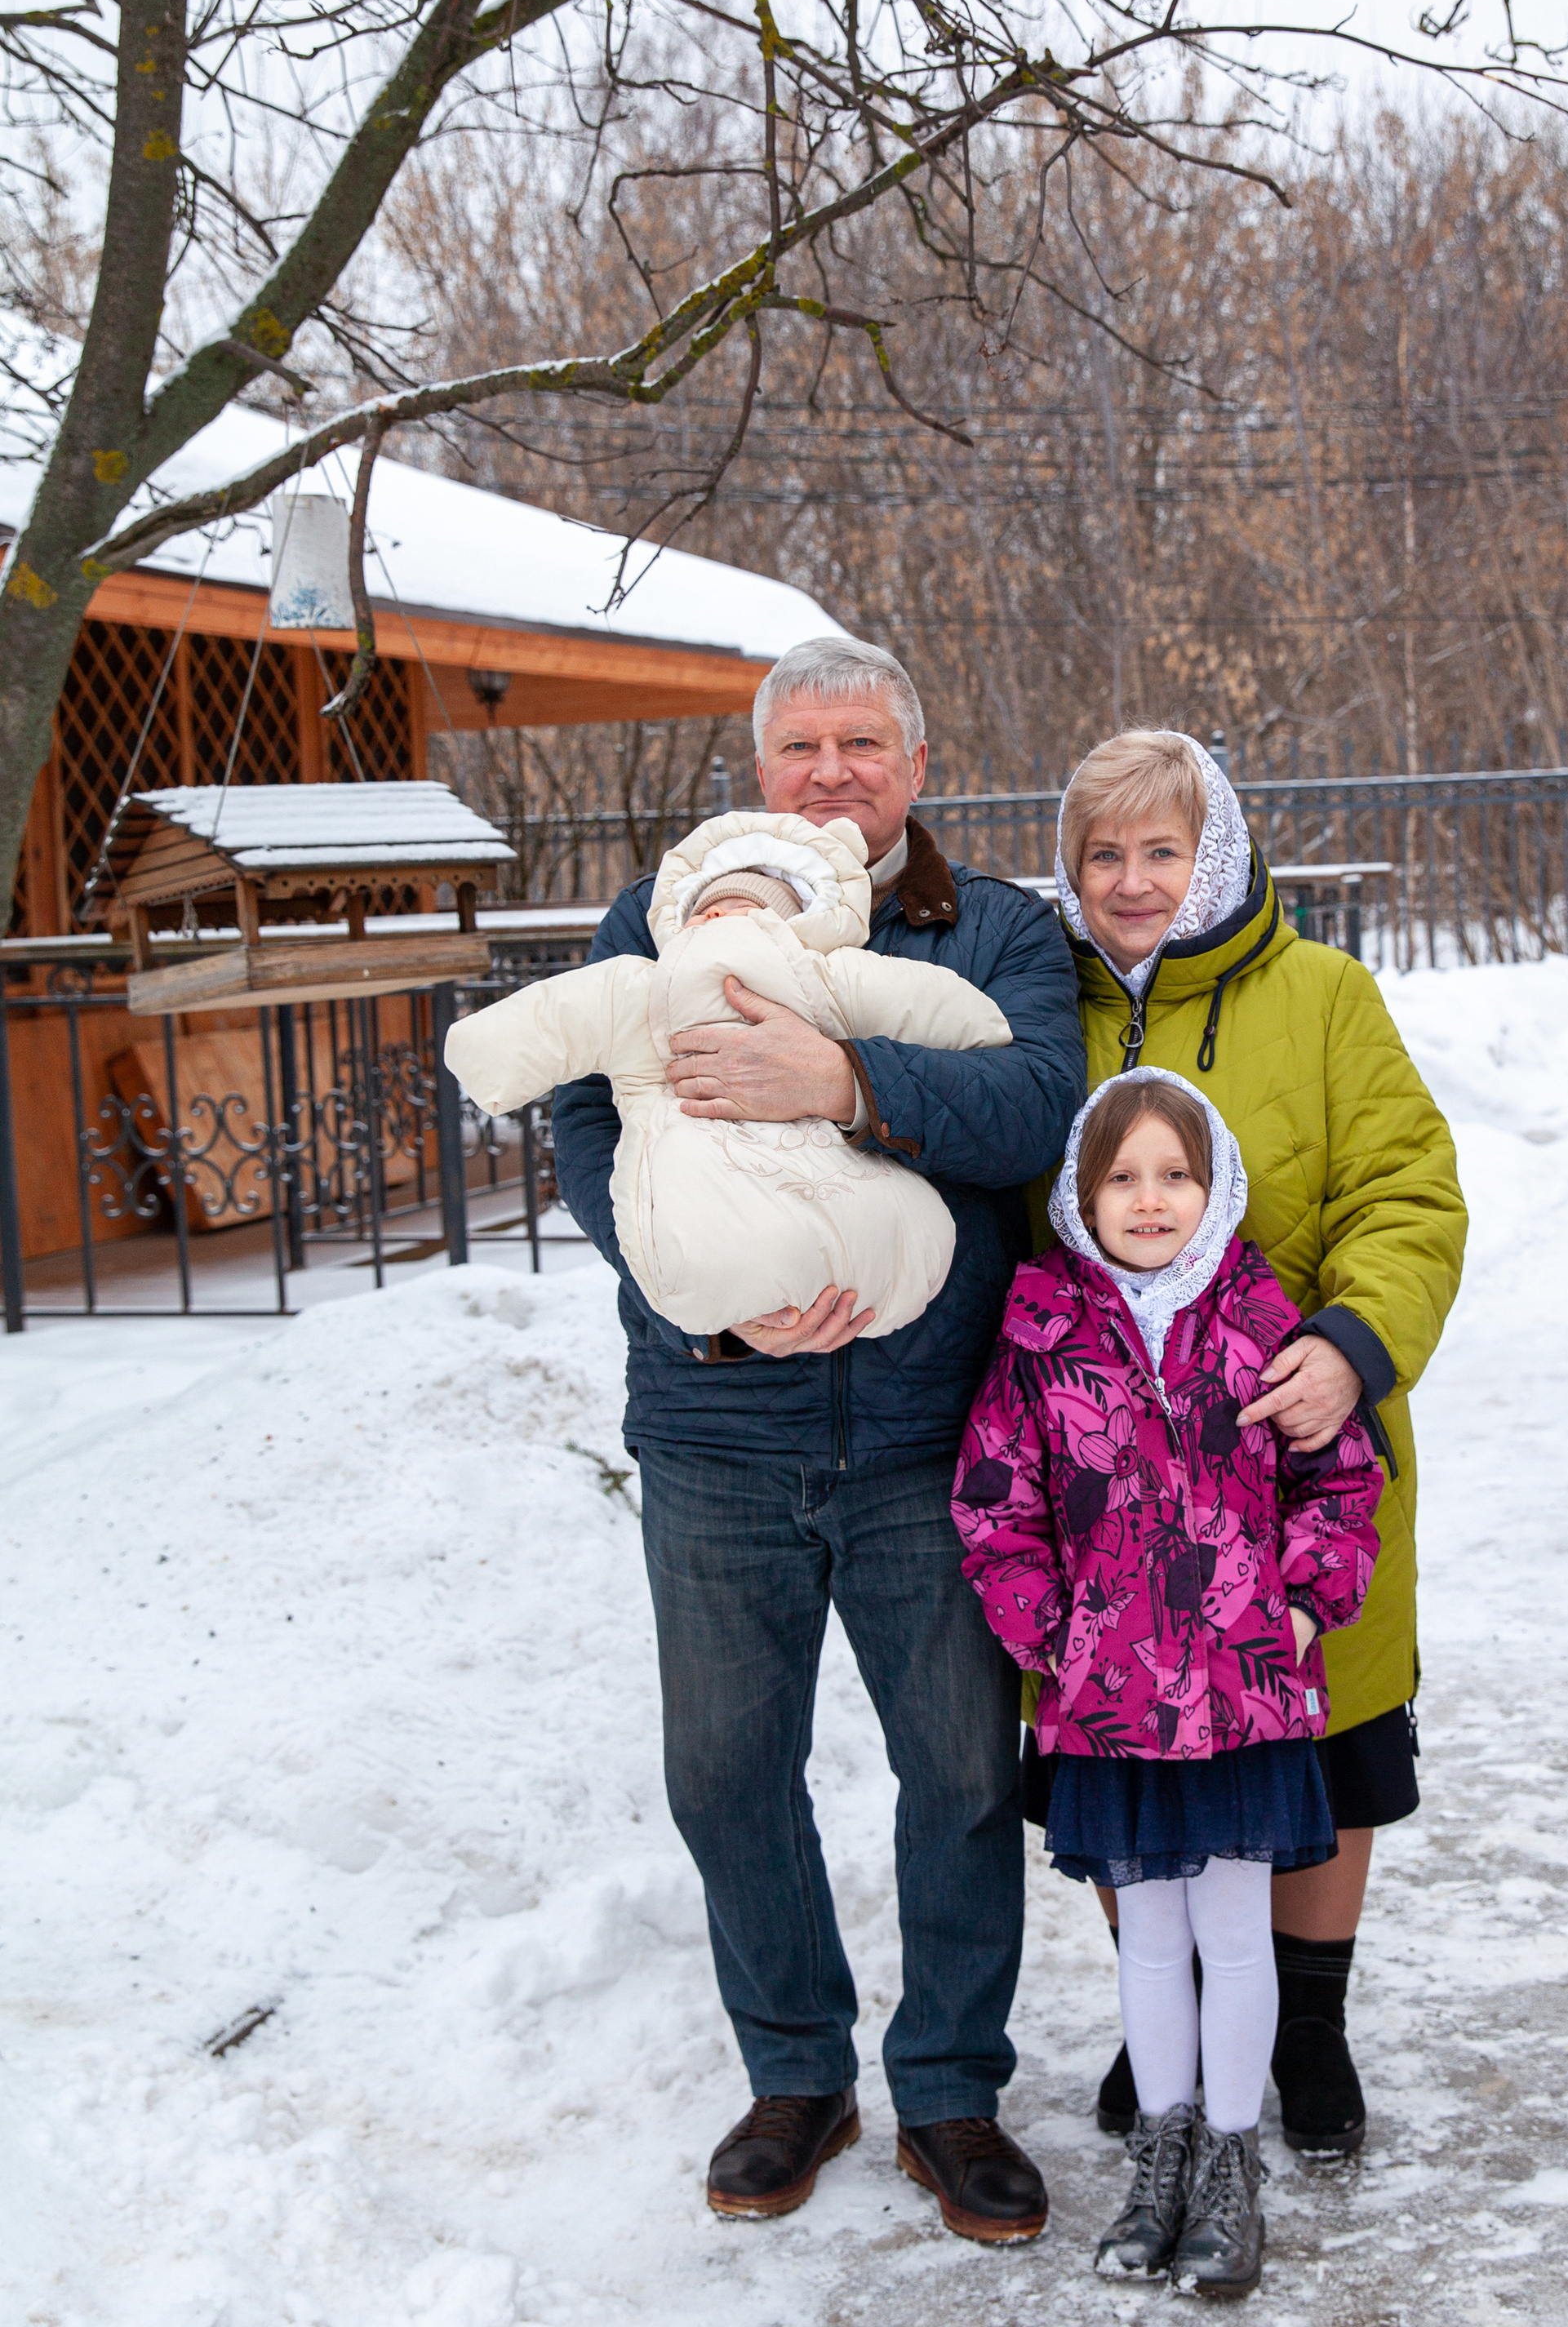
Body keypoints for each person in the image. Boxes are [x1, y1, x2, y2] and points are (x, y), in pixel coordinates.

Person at [549, 637, 1088, 2240]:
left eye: (864, 743)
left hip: (935, 1438)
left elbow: (1039, 1108)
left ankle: (947, 2092)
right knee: (724, 1775)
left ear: (915, 767)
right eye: (802, 746)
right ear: (762, 767)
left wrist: (842, 1076)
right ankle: (796, 2070)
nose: (833, 772)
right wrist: (702, 1296)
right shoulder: (653, 922)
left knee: (958, 1776)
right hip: (717, 1426)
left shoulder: (992, 931)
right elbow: (586, 1127)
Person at [1043, 727, 1467, 2153]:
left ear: (1216, 852)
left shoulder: (1324, 996)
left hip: (1293, 1453)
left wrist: (1352, 1351)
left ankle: (1312, 2026)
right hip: (1111, 1477)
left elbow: (1409, 1196)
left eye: (1162, 849)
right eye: (1104, 854)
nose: (1132, 879)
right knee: (1125, 1748)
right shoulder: (1049, 1006)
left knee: (1324, 1738)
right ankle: (1156, 2007)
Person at [955, 1071, 1384, 2294]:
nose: (1151, 1200)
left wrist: (1300, 1604)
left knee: (1234, 1935)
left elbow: (1341, 1476)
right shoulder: (1041, 1324)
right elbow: (996, 1495)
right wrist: (1049, 1628)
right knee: (1148, 1938)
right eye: (1123, 1177)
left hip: (1245, 1694)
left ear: (1217, 1187)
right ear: (1084, 1197)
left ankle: (1232, 2163)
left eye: (1177, 1175)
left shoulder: (1263, 1318)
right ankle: (1163, 2153)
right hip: (1109, 1700)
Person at [443, 807, 1012, 1340]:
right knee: (703, 1223)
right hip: (695, 1145)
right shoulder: (643, 984)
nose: (716, 918)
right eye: (706, 910)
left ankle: (874, 1264)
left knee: (901, 1223)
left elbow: (915, 999)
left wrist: (972, 1030)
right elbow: (560, 1017)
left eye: (742, 907)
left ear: (792, 924)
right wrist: (486, 1055)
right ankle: (737, 1285)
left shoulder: (819, 974)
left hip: (819, 1146)